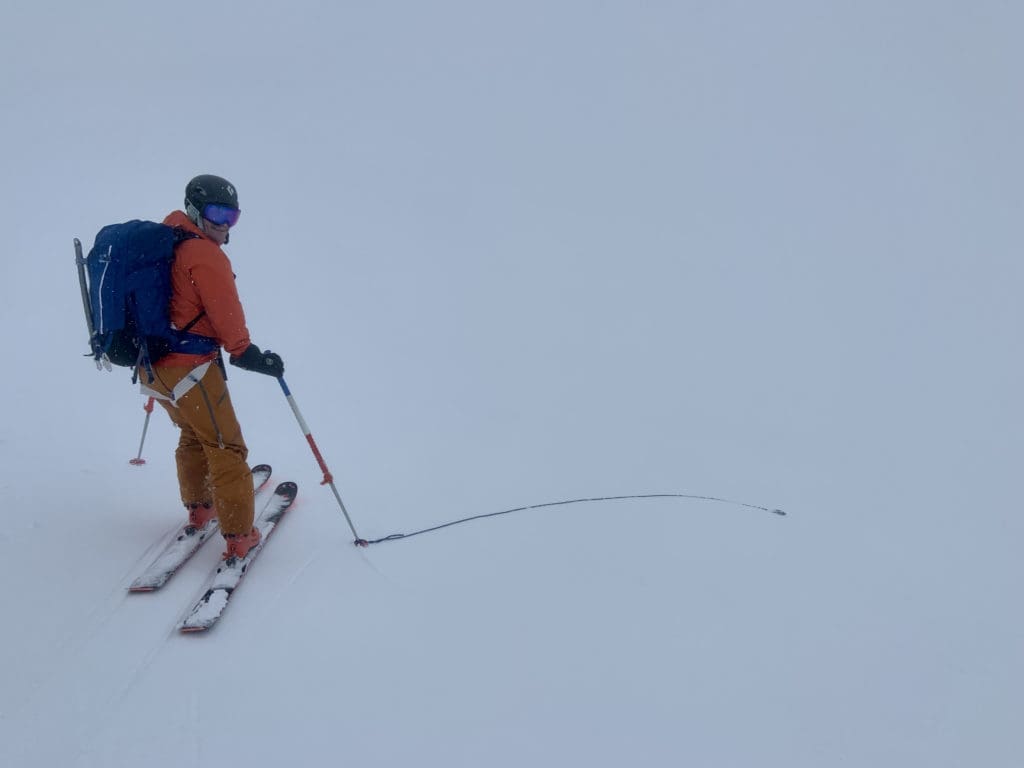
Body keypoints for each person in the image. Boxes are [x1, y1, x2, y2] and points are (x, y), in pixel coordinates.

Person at [140, 174, 284, 560]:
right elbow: (226, 313)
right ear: (194, 209)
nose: (223, 224)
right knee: (226, 447)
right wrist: (246, 351)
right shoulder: (204, 255)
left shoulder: (166, 237)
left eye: (232, 216)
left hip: (152, 367)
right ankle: (239, 535)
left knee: (193, 435)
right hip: (191, 370)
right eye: (217, 213)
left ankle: (200, 506)